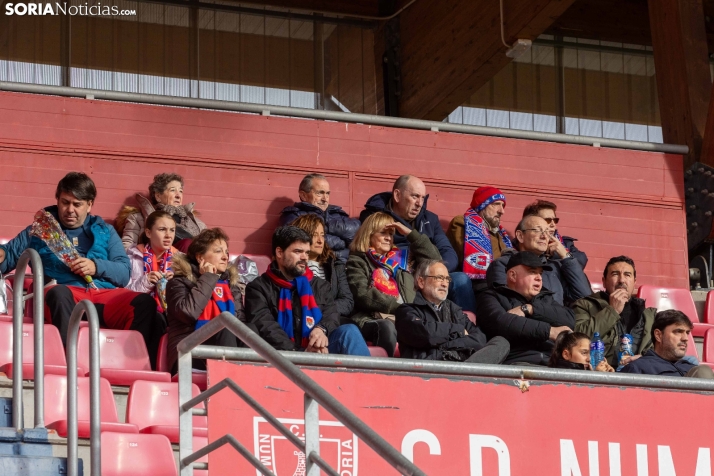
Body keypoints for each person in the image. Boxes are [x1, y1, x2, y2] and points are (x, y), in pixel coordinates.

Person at [0, 172, 165, 368]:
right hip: (64, 292)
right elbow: (7, 257)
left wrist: (96, 266)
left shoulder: (105, 230)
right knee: (58, 294)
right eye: (65, 202)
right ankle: (67, 365)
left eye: (77, 204)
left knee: (143, 303)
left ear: (90, 204)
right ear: (58, 200)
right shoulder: (40, 229)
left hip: (104, 295)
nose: (70, 210)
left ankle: (128, 365)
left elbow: (123, 273)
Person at [245, 226, 370, 356]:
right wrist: (300, 352)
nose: (305, 257)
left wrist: (321, 329)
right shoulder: (258, 288)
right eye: (298, 251)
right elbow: (266, 328)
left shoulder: (320, 286)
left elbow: (331, 315)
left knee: (349, 331)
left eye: (307, 252)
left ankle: (370, 376)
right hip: (281, 355)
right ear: (279, 252)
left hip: (319, 349)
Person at [360, 175, 475, 312]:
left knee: (460, 279)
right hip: (394, 274)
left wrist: (433, 275)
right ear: (397, 195)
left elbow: (449, 253)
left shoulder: (430, 220)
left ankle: (468, 327)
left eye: (423, 198)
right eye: (415, 196)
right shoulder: (376, 217)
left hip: (427, 273)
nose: (420, 203)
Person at [346, 212, 442, 356]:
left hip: (406, 318)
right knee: (387, 328)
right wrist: (403, 309)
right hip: (373, 318)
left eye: (391, 234)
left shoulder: (402, 260)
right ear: (369, 234)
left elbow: (435, 261)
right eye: (383, 233)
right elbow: (363, 294)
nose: (388, 238)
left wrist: (411, 234)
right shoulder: (357, 261)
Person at [395, 259, 510, 363]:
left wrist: (444, 346)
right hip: (429, 370)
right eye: (439, 278)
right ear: (421, 282)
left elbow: (479, 339)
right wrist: (458, 331)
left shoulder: (454, 310)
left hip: (459, 364)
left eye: (447, 279)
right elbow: (427, 334)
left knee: (501, 343)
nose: (445, 284)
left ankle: (463, 375)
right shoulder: (406, 311)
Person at [166, 228, 246, 373]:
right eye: (218, 251)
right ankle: (231, 380)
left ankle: (245, 378)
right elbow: (188, 313)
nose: (225, 257)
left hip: (224, 346)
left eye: (226, 252)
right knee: (225, 326)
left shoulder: (231, 287)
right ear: (200, 257)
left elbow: (241, 322)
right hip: (188, 351)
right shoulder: (178, 282)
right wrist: (208, 277)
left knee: (249, 329)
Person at [475, 251, 574, 365]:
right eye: (532, 272)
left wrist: (530, 309)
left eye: (540, 273)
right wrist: (549, 331)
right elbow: (501, 322)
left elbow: (569, 319)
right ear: (513, 275)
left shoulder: (546, 298)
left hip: (552, 364)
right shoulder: (491, 296)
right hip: (515, 364)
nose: (539, 278)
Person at [485, 215, 591, 306]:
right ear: (520, 236)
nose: (544, 236)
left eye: (547, 232)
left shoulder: (555, 267)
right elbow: (507, 304)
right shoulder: (503, 264)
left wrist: (566, 256)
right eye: (538, 230)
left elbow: (584, 298)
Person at [573, 256, 656, 368]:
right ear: (604, 281)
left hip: (640, 371)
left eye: (627, 275)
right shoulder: (584, 305)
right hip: (604, 371)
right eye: (615, 274)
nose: (621, 280)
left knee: (687, 361)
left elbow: (661, 349)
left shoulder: (648, 315)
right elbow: (577, 339)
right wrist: (613, 311)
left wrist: (645, 359)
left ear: (634, 282)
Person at [279, 173, 360, 263]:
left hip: (344, 267)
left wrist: (324, 227)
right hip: (314, 266)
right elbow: (303, 241)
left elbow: (357, 233)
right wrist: (342, 242)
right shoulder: (294, 215)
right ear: (303, 195)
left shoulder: (337, 212)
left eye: (327, 193)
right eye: (320, 193)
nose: (325, 199)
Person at [116, 172, 206, 253]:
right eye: (173, 190)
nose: (178, 195)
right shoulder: (138, 218)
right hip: (158, 264)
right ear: (158, 196)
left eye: (181, 191)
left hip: (197, 266)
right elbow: (127, 247)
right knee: (186, 243)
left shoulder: (196, 223)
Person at [446, 186, 513, 294]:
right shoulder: (462, 223)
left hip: (498, 284)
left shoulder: (501, 235)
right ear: (482, 205)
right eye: (496, 204)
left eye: (503, 205)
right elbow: (466, 256)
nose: (502, 211)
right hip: (475, 284)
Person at [290, 214, 354, 319]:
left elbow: (347, 301)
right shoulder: (292, 266)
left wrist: (322, 310)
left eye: (322, 235)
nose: (320, 240)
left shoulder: (336, 265)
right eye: (314, 235)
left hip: (332, 321)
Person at [620, 310, 714, 378]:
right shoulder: (638, 367)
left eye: (687, 333)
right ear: (658, 335)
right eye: (678, 331)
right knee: (703, 372)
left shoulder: (691, 367)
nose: (685, 338)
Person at [125, 211, 179, 314]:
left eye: (172, 230)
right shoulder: (132, 259)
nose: (168, 235)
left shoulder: (182, 261)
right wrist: (145, 282)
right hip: (140, 313)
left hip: (173, 318)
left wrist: (177, 282)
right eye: (162, 229)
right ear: (148, 233)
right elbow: (124, 295)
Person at [522, 200, 587, 268]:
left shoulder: (566, 243)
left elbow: (581, 262)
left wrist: (562, 253)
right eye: (548, 220)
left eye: (555, 220)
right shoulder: (518, 244)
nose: (553, 224)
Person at [548, 331, 614, 371]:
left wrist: (610, 377)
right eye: (584, 353)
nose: (589, 359)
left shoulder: (589, 371)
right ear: (566, 355)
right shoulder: (559, 377)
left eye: (590, 353)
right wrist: (597, 377)